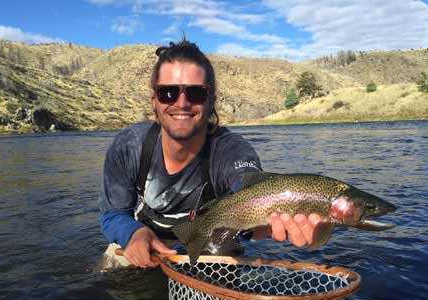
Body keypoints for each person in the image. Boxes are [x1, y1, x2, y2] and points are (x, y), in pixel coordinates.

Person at [99, 38, 323, 268]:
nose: (182, 103)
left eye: (196, 93)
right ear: (154, 100)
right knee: (114, 269)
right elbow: (113, 213)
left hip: (213, 232)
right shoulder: (129, 146)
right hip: (148, 231)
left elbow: (247, 191)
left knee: (222, 255)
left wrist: (264, 222)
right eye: (168, 93)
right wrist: (133, 234)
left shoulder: (232, 151)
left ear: (211, 101)